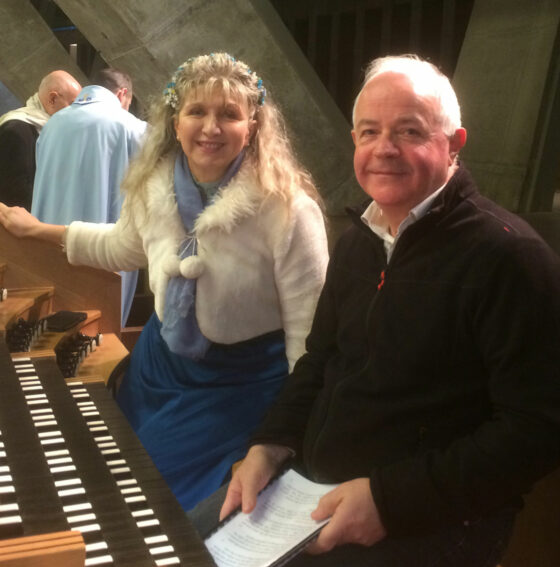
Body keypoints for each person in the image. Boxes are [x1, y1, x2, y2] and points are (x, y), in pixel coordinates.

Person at [188, 55, 560, 567]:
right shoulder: (358, 243)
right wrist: (267, 447)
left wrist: (388, 501)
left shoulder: (512, 260)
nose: (384, 148)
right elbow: (318, 362)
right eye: (369, 132)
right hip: (311, 488)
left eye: (409, 130)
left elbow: (540, 432)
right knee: (171, 566)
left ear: (454, 144)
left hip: (439, 520)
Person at [0, 52, 329, 513]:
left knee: (152, 503)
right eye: (197, 111)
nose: (210, 127)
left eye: (228, 114)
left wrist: (285, 437)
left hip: (236, 386)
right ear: (176, 122)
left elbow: (309, 339)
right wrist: (36, 230)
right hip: (157, 369)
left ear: (252, 126)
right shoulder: (154, 187)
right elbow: (120, 246)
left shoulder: (289, 210)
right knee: (110, 471)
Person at [31, 67, 147, 327]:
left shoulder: (52, 125)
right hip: (102, 250)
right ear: (123, 94)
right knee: (99, 332)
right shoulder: (133, 128)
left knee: (50, 326)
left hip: (50, 242)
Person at [0, 70, 81, 210]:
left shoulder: (46, 129)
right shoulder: (15, 131)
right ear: (53, 99)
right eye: (73, 105)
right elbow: (14, 197)